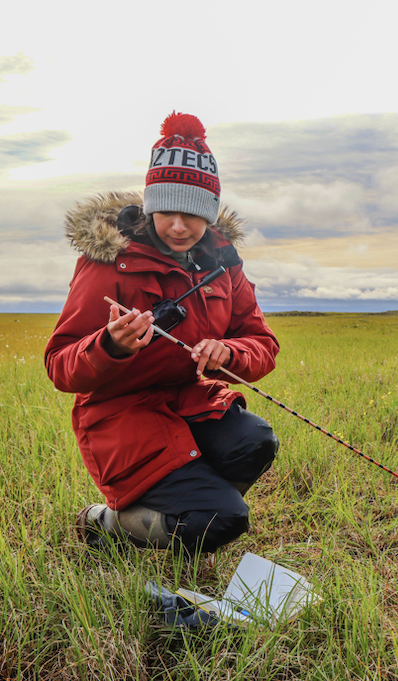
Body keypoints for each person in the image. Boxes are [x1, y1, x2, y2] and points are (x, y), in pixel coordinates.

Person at [45, 112, 281, 556]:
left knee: (255, 442)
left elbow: (262, 344)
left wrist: (229, 352)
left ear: (209, 214)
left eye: (192, 213)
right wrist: (109, 345)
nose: (178, 226)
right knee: (226, 519)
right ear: (151, 205)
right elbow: (60, 364)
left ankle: (191, 514)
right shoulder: (109, 263)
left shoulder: (223, 264)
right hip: (119, 418)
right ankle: (110, 524)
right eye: (167, 210)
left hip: (187, 404)